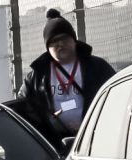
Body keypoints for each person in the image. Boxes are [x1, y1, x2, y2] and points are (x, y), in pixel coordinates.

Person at [13, 10, 114, 150]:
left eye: (64, 38)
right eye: (54, 41)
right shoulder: (36, 77)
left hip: (95, 139)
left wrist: (90, 125)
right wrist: (47, 121)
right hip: (55, 146)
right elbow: (22, 109)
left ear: (74, 40)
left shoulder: (97, 67)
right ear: (47, 47)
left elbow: (116, 99)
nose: (60, 44)